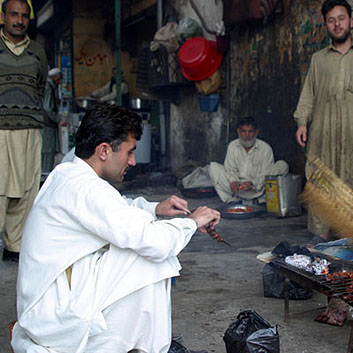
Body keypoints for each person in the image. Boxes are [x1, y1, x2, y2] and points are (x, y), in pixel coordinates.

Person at [12, 104, 221, 352]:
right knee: (152, 257)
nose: (132, 161)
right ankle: (148, 348)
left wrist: (156, 209)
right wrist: (192, 222)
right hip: (53, 315)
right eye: (129, 153)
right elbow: (154, 242)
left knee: (140, 245)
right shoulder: (85, 189)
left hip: (50, 298)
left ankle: (135, 343)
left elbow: (118, 208)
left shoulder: (70, 171)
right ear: (103, 151)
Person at [293, 0, 353, 239]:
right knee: (321, 181)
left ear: (351, 21)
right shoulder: (319, 60)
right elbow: (308, 95)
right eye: (331, 20)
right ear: (326, 25)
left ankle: (350, 236)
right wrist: (302, 122)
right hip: (323, 133)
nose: (337, 24)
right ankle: (320, 236)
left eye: (341, 18)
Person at [0, 0, 48, 262]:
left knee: (28, 189)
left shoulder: (38, 52)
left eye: (24, 16)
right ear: (3, 16)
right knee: (0, 189)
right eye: (14, 15)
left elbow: (39, 88)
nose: (19, 20)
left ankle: (14, 246)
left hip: (29, 128)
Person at [209, 116, 288, 204]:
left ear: (256, 132)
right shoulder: (232, 146)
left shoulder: (265, 148)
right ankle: (233, 201)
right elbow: (230, 169)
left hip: (257, 189)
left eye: (250, 132)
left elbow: (266, 174)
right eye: (243, 131)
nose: (247, 135)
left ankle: (259, 200)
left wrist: (252, 183)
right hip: (238, 189)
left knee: (282, 165)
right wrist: (234, 181)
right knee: (213, 167)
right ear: (238, 131)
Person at [41, 68, 68, 173]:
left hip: (47, 124)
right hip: (47, 125)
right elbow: (47, 108)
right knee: (47, 152)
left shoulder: (49, 86)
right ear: (55, 77)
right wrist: (58, 120)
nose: (60, 82)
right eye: (59, 78)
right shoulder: (48, 88)